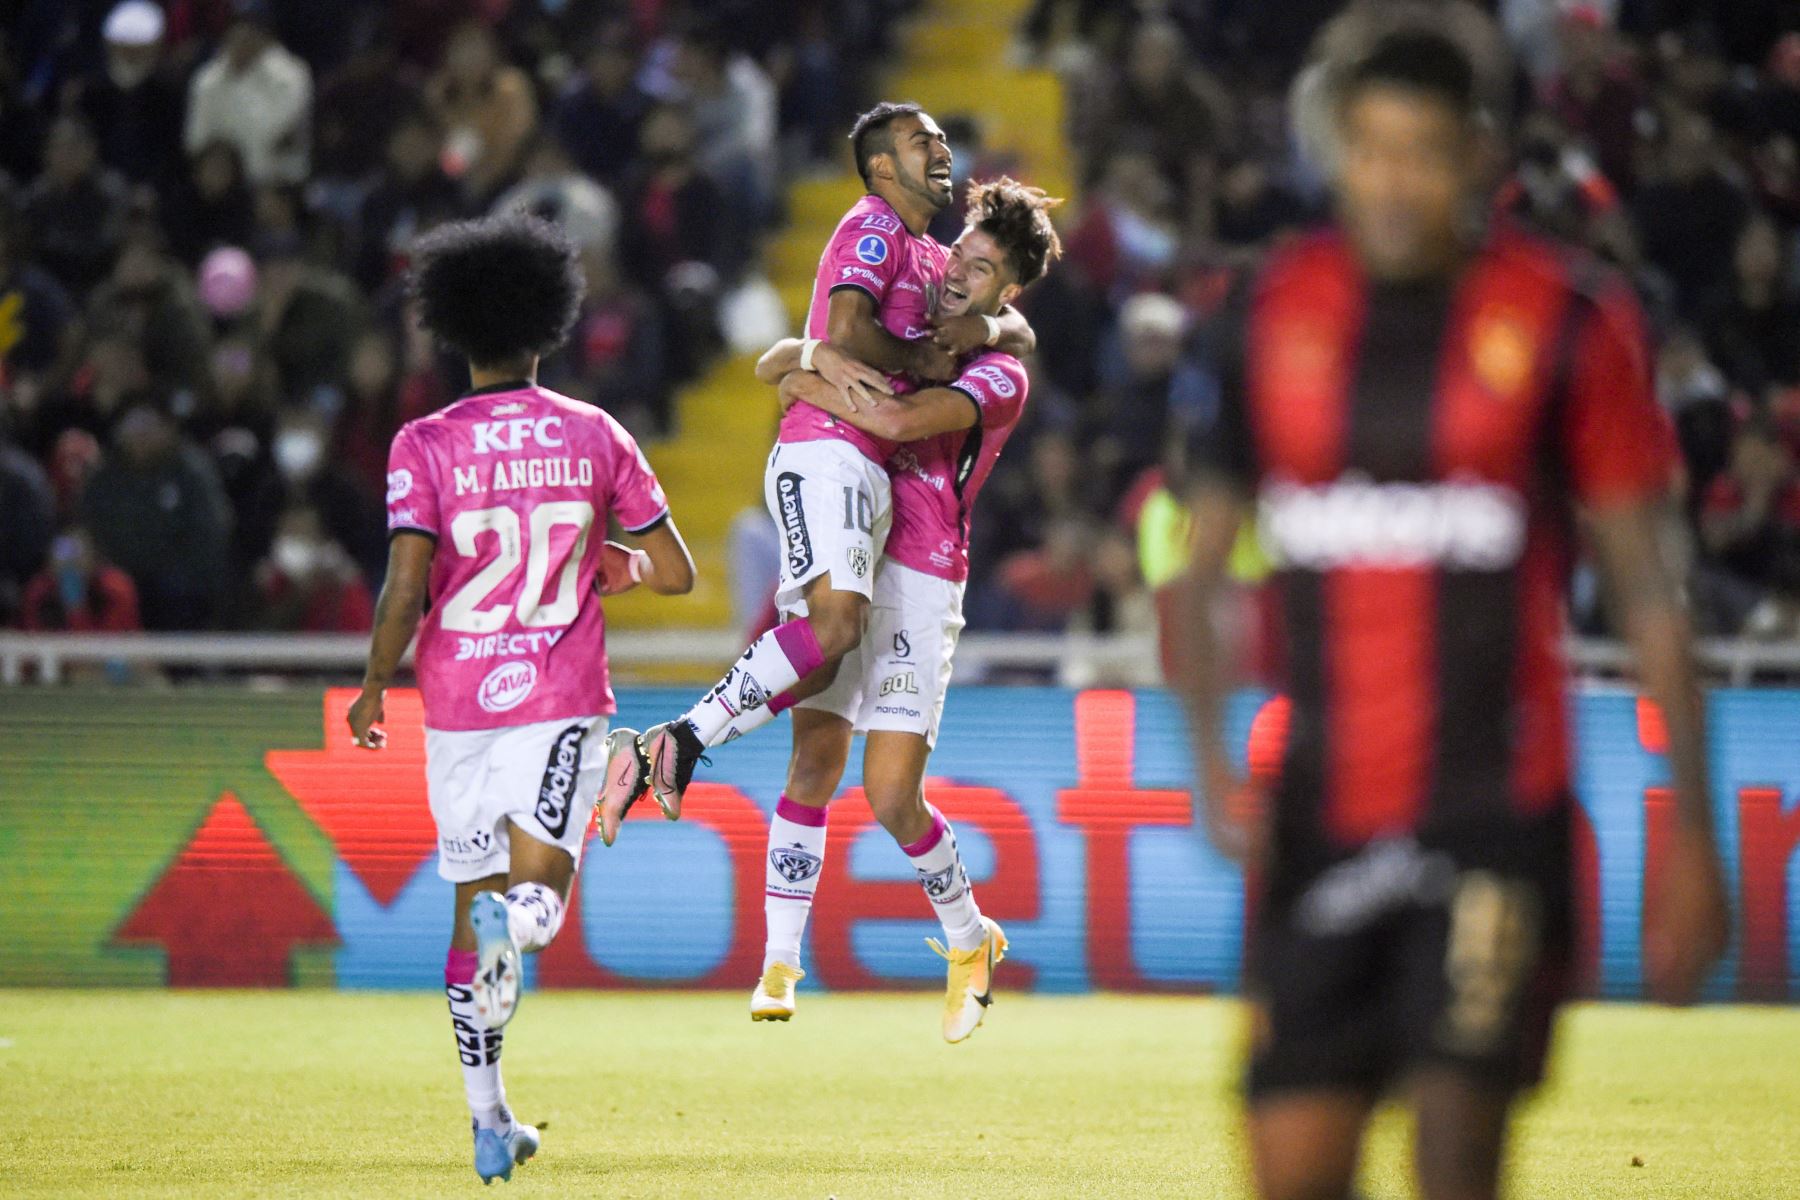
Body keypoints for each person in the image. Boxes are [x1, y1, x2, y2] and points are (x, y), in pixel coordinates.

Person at [1174, 18, 1729, 1200]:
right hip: (1319, 814)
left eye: (1421, 151)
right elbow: (1198, 570)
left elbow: (1648, 589)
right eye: (1368, 150)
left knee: (1457, 1160)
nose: (1392, 180)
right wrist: (1207, 756)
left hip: (1495, 819)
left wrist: (1693, 833)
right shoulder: (1267, 316)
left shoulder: (1568, 321)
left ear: (1478, 158)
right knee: (1291, 1164)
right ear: (1338, 154)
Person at [346, 213, 695, 1184]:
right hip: (556, 695)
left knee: (471, 917)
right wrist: (609, 565)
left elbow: (404, 586)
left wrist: (376, 682)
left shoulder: (421, 443)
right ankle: (525, 926)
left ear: (451, 331)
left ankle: (489, 1121)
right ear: (550, 326)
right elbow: (674, 571)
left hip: (455, 706)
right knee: (536, 898)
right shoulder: (594, 433)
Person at [598, 102, 1030, 834]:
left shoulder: (930, 257)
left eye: (944, 139)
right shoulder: (873, 225)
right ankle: (672, 743)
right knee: (833, 630)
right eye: (923, 141)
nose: (943, 150)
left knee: (823, 667)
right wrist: (875, 360)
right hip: (828, 450)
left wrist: (802, 360)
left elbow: (1012, 327)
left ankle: (771, 936)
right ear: (884, 167)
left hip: (862, 468)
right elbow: (847, 329)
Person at [746, 178, 1062, 1037]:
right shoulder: (915, 317)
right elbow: (796, 352)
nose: (960, 266)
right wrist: (798, 361)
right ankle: (779, 963)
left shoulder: (1000, 373)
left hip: (923, 574)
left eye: (985, 266)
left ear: (1007, 291)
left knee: (891, 796)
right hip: (860, 543)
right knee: (813, 759)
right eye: (963, 247)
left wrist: (805, 377)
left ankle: (969, 937)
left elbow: (894, 422)